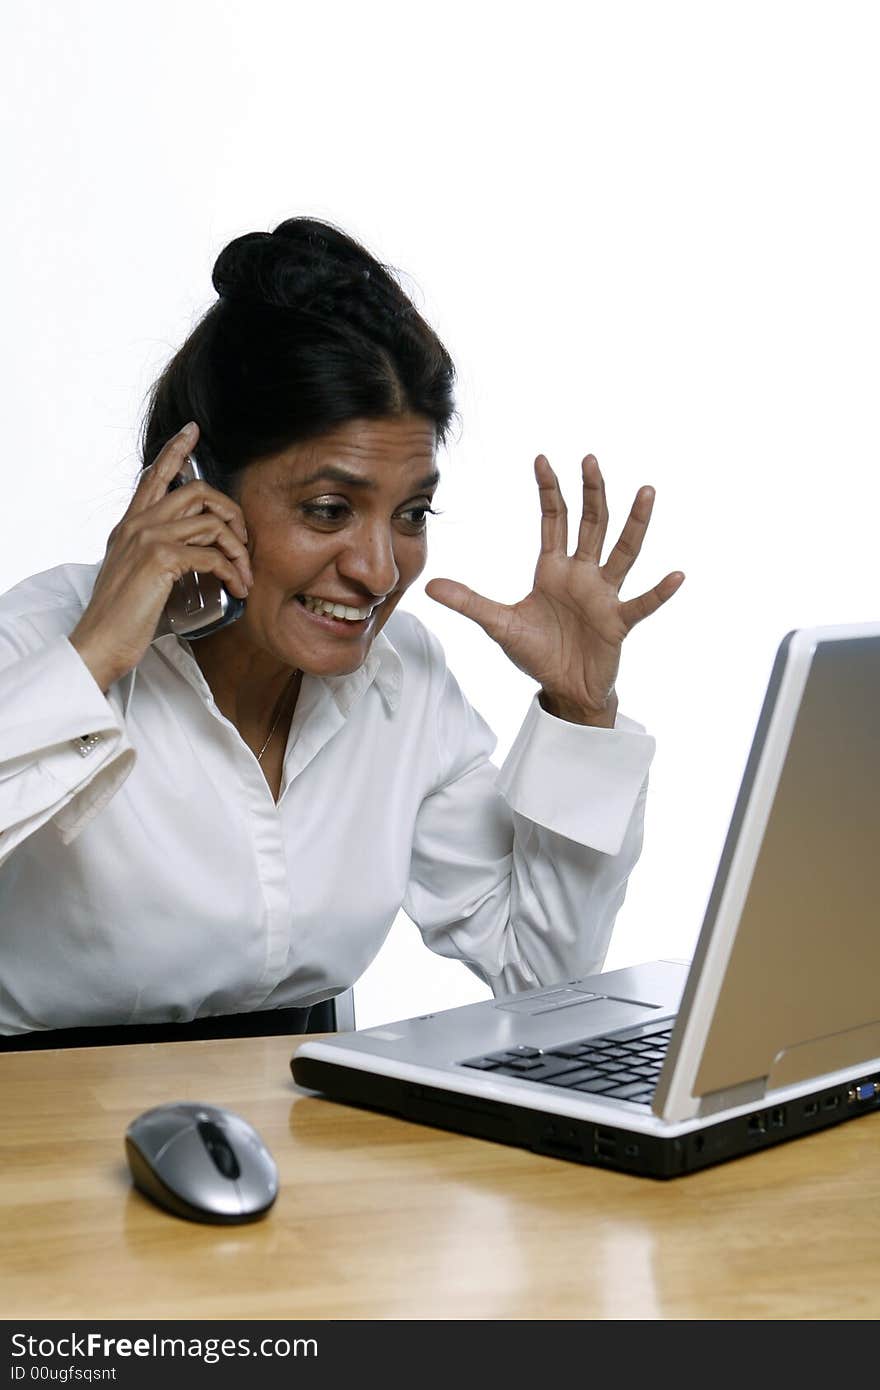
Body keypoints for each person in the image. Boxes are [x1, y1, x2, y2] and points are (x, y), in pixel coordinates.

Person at [0, 217, 684, 1040]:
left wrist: (580, 714)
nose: (379, 569)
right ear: (196, 490)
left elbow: (537, 974)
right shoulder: (42, 640)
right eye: (329, 510)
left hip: (297, 1137)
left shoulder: (403, 679)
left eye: (410, 513)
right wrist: (97, 660)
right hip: (41, 1134)